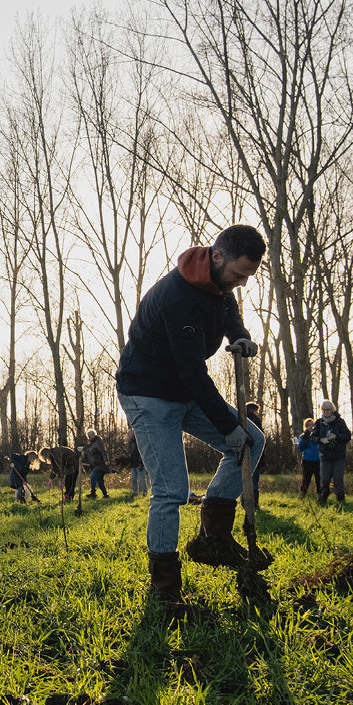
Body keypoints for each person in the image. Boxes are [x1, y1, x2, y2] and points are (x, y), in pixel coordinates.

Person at [115, 224, 266, 606]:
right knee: (171, 490)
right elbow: (193, 373)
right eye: (238, 274)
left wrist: (239, 335)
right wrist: (226, 426)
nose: (242, 283)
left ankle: (212, 538)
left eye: (249, 276)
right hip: (148, 393)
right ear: (217, 257)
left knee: (254, 441)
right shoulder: (177, 297)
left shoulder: (218, 283)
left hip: (183, 389)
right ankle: (164, 589)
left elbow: (227, 304)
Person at [312, 401, 352, 505]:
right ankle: (323, 498)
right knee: (324, 479)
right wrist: (321, 439)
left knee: (338, 478)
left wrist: (337, 436)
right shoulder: (319, 423)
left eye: (328, 409)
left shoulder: (340, 422)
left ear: (332, 410)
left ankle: (341, 500)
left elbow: (347, 436)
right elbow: (312, 437)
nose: (325, 412)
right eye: (324, 410)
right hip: (325, 456)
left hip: (339, 456)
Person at [245, 403, 268, 506]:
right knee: (254, 480)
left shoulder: (240, 419)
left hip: (244, 454)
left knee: (244, 479)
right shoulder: (255, 420)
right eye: (256, 411)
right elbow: (261, 438)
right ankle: (254, 503)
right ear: (253, 410)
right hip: (255, 454)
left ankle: (244, 502)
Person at [295, 417, 320, 498]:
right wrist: (305, 437)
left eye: (312, 425)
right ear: (305, 427)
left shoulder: (318, 436)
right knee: (306, 480)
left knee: (319, 480)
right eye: (309, 425)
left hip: (318, 461)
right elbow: (300, 448)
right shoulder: (303, 436)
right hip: (307, 461)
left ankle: (320, 497)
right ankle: (302, 496)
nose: (311, 426)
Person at [85, 430, 109, 499]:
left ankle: (93, 493)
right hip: (96, 464)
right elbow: (92, 455)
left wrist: (106, 460)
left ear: (93, 435)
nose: (88, 438)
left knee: (93, 477)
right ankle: (105, 494)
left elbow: (103, 451)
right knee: (100, 480)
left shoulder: (98, 441)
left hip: (101, 464)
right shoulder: (93, 443)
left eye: (89, 437)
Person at [126, 429, 147, 499]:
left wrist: (141, 463)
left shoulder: (138, 441)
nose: (127, 436)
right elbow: (132, 454)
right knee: (133, 478)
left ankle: (145, 492)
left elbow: (141, 453)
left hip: (139, 463)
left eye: (128, 434)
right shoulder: (130, 443)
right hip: (133, 463)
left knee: (142, 479)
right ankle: (135, 492)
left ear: (133, 435)